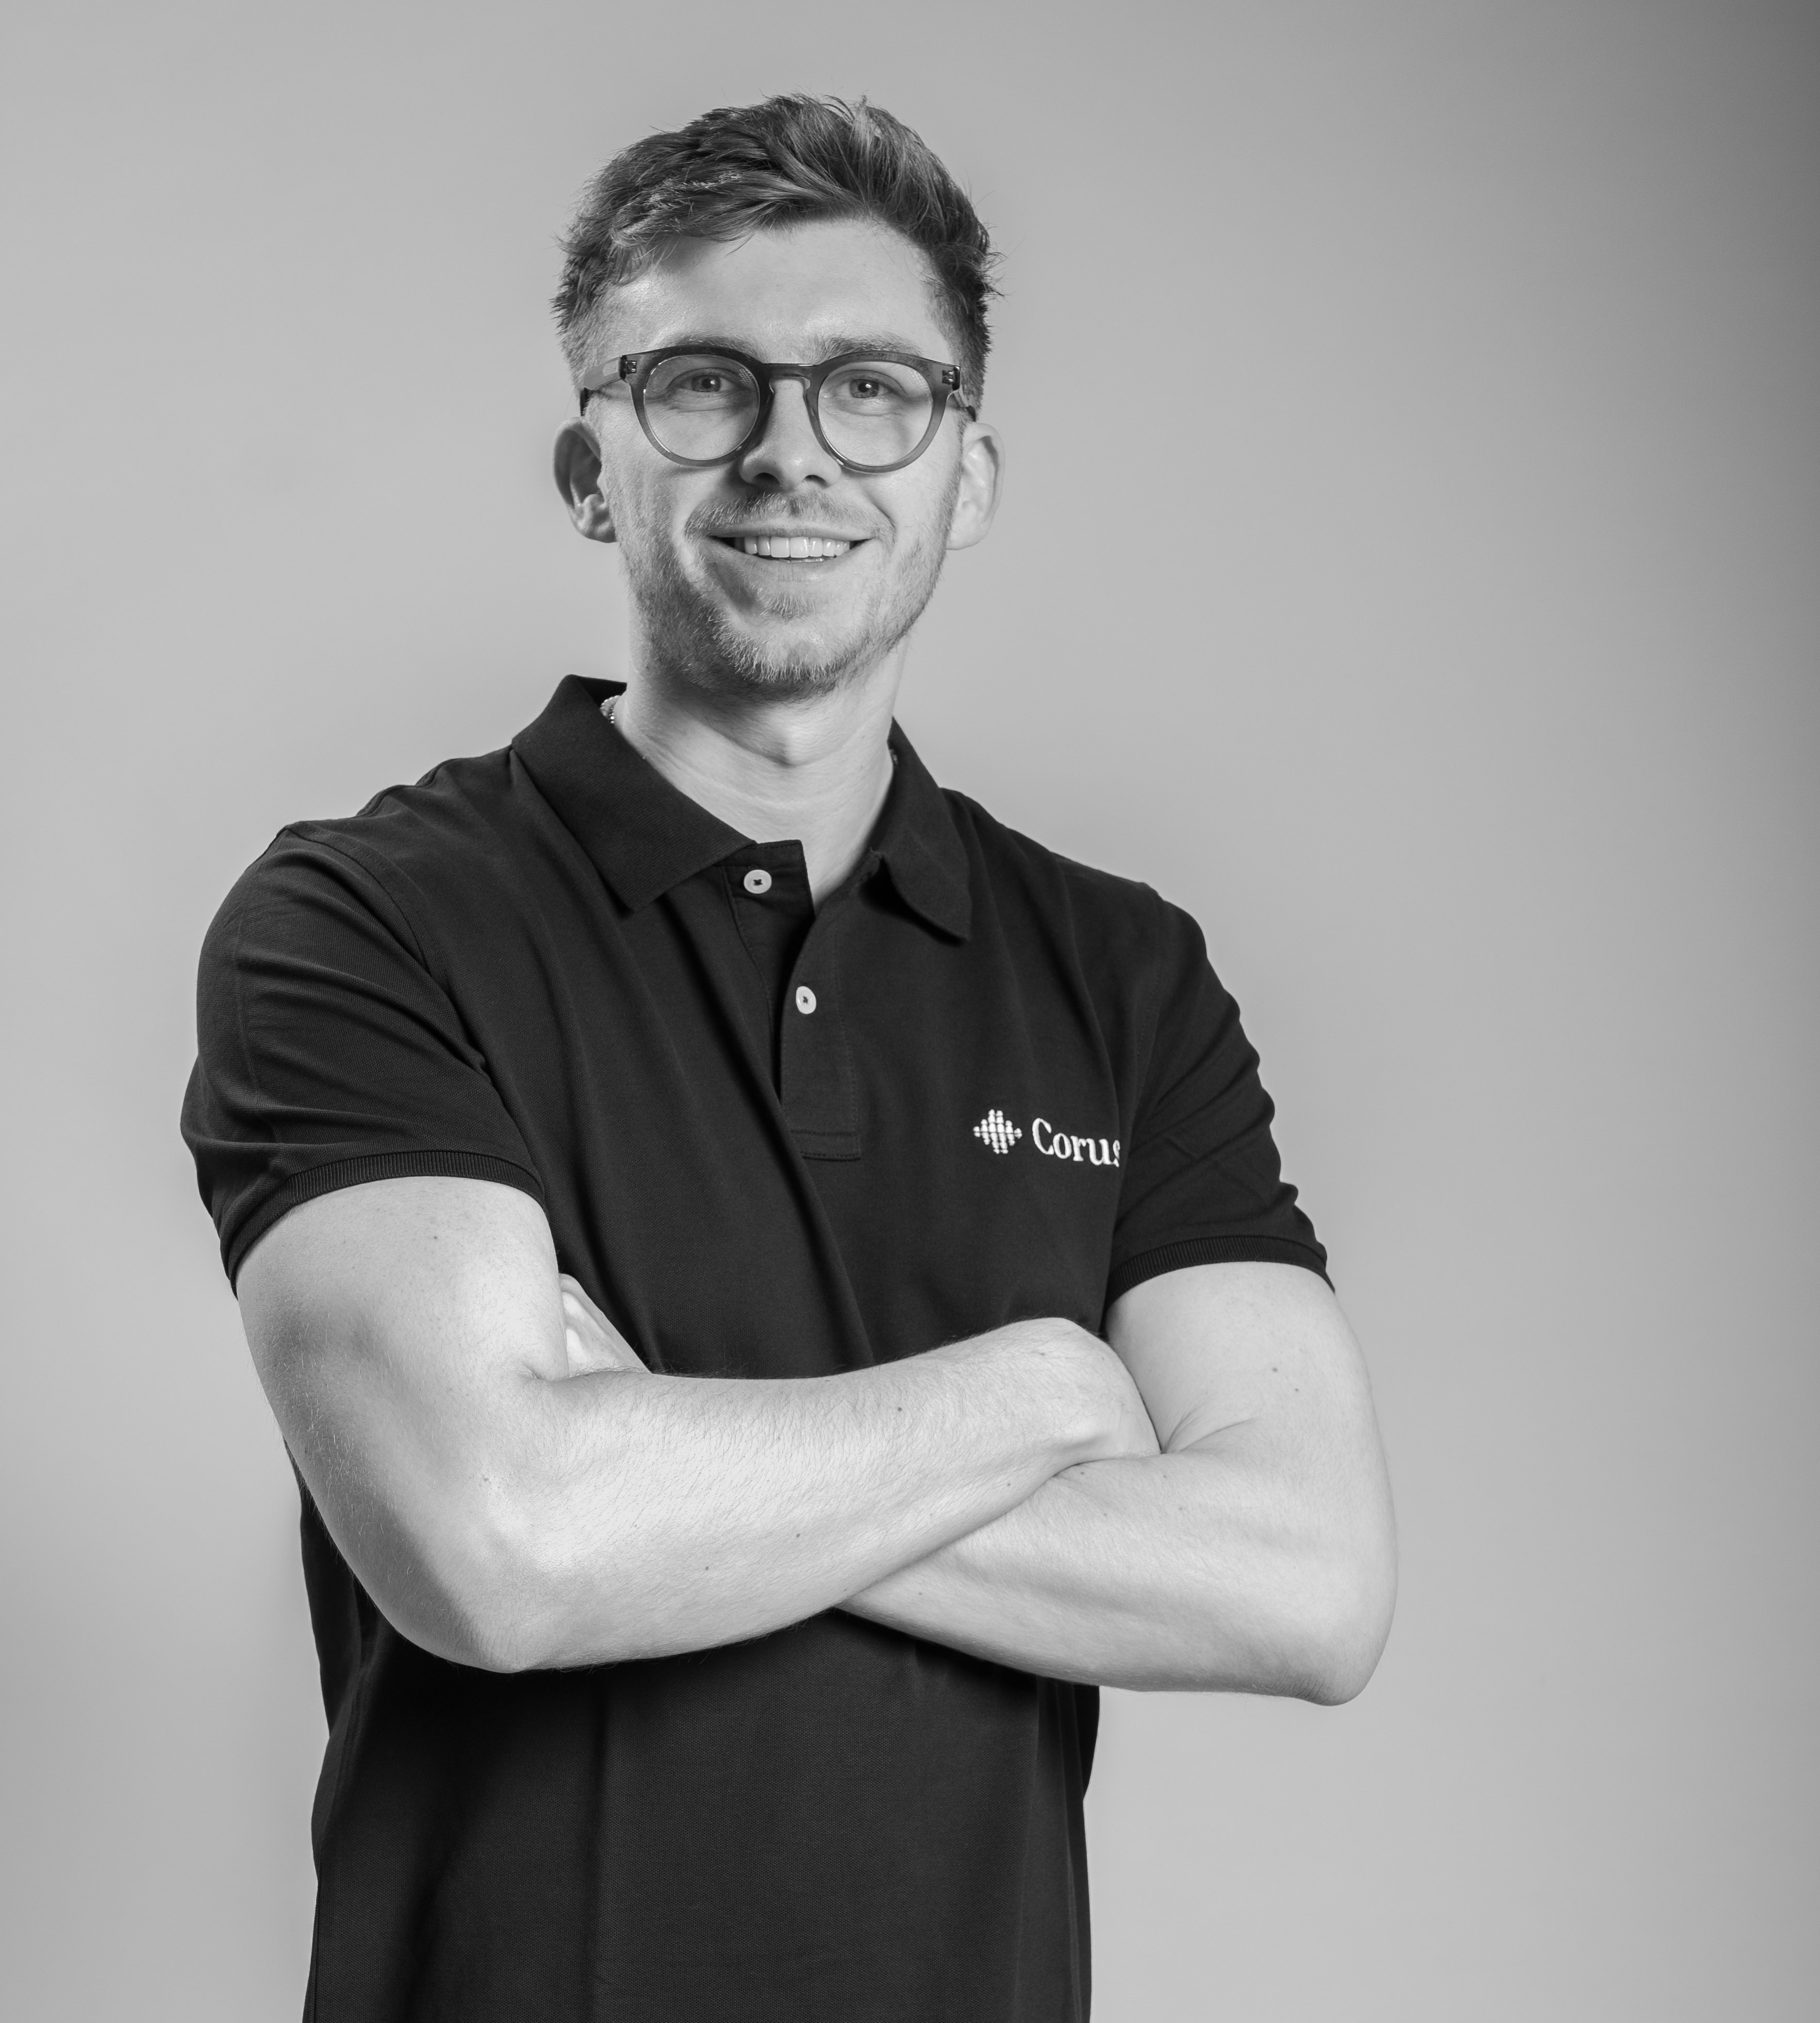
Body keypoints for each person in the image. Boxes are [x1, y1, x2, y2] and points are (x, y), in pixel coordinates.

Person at [182, 93, 1397, 2023]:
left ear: (965, 474)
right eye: (702, 386)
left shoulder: (1120, 973)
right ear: (592, 467)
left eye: (871, 391)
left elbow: (1310, 1585)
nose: (790, 453)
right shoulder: (369, 920)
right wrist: (1033, 1389)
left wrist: (644, 1463)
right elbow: (496, 1547)